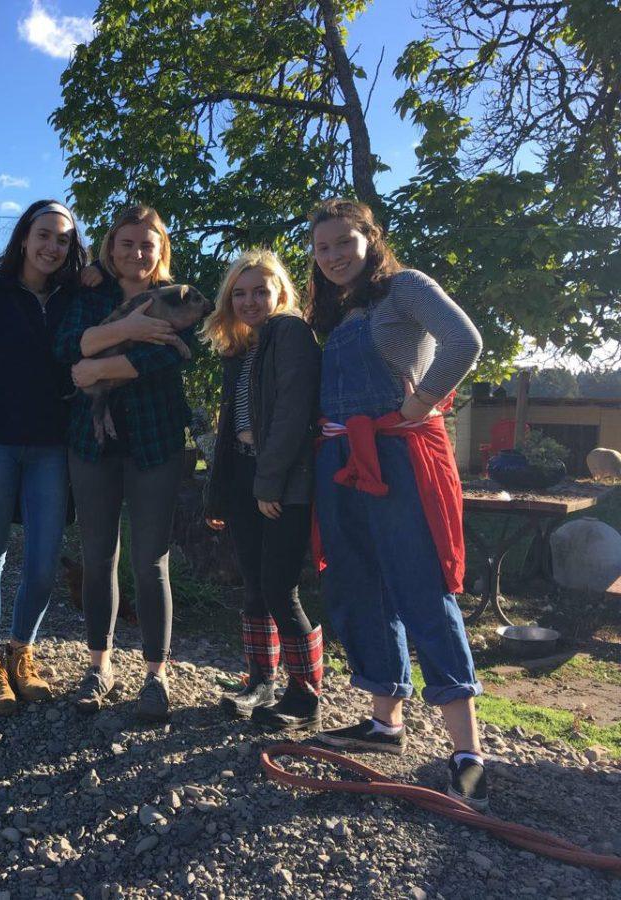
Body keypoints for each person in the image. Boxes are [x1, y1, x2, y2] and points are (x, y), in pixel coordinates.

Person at [305, 199, 488, 810]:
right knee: (361, 586)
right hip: (341, 459)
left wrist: (421, 403)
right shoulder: (328, 312)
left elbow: (465, 340)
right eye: (321, 247)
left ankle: (467, 754)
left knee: (421, 585)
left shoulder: (406, 288)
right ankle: (386, 724)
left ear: (369, 239)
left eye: (342, 243)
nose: (331, 256)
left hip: (401, 454)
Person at [54, 204, 194, 722]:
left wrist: (94, 369)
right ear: (111, 248)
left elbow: (172, 355)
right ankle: (100, 664)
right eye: (126, 243)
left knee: (150, 562)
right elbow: (67, 347)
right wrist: (126, 335)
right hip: (91, 446)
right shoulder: (89, 295)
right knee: (97, 557)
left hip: (155, 444)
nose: (136, 253)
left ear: (161, 252)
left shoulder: (180, 298)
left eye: (146, 245)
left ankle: (155, 675)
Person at [0, 199, 89, 715]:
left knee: (41, 562)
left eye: (64, 239)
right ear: (23, 238)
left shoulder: (76, 295)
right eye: (45, 235)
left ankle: (21, 649)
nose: (53, 246)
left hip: (52, 444)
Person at [201, 249, 324, 731]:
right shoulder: (242, 348)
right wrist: (219, 493)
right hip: (245, 479)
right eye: (240, 292)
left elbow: (293, 414)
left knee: (279, 586)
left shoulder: (290, 333)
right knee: (253, 584)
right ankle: (260, 680)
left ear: (280, 293)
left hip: (282, 482)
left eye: (260, 291)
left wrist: (268, 482)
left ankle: (305, 693)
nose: (250, 301)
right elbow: (232, 425)